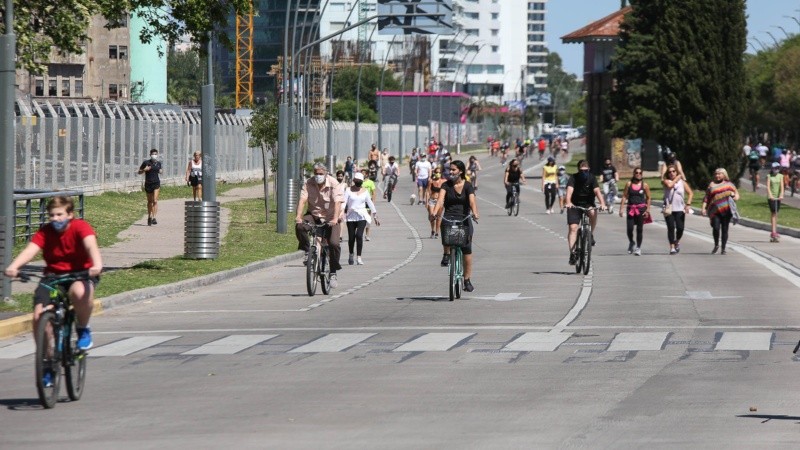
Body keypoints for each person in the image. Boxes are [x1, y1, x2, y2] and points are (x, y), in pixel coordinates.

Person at [4, 196, 103, 386]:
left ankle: (83, 329)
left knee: (80, 292)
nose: (55, 219)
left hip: (81, 273)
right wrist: (14, 266)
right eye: (52, 215)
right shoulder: (46, 231)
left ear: (70, 214)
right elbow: (31, 250)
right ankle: (48, 361)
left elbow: (91, 245)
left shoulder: (80, 227)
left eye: (59, 214)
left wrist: (97, 265)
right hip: (53, 276)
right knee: (39, 316)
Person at [431, 160, 480, 292]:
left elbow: (472, 201)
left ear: (461, 171)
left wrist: (475, 213)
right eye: (450, 170)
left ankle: (467, 280)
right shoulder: (446, 185)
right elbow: (440, 201)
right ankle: (446, 253)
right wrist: (434, 212)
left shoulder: (468, 185)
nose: (450, 172)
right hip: (449, 216)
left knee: (466, 249)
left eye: (453, 170)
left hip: (464, 218)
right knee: (446, 231)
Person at [295, 162, 344, 288]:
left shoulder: (334, 183)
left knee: (334, 243)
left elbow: (337, 203)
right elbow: (302, 200)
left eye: (321, 174)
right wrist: (298, 216)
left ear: (326, 173)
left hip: (331, 217)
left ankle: (333, 272)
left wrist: (335, 219)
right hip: (314, 215)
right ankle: (307, 251)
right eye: (316, 173)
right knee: (300, 226)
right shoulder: (308, 183)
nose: (318, 176)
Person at [565, 160, 607, 265]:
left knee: (593, 212)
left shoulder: (592, 178)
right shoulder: (573, 178)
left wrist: (602, 203)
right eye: (581, 171)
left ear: (589, 170)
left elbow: (597, 191)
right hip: (574, 204)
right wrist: (568, 202)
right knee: (573, 228)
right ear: (578, 170)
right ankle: (572, 253)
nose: (584, 173)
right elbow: (569, 191)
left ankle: (590, 234)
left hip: (588, 204)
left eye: (586, 171)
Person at [701, 168, 740, 255]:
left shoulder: (729, 184)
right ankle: (716, 245)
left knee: (725, 229)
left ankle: (723, 248)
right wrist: (703, 208)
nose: (717, 175)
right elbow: (706, 197)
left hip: (726, 210)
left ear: (724, 175)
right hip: (715, 211)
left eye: (719, 174)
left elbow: (737, 195)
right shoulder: (712, 185)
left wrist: (734, 197)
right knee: (716, 228)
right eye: (716, 174)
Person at [344, 172, 378, 265]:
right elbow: (344, 203)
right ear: (354, 180)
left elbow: (370, 203)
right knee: (351, 238)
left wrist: (375, 215)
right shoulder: (348, 190)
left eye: (360, 181)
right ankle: (351, 254)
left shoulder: (365, 191)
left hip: (362, 216)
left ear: (362, 181)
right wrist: (340, 214)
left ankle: (359, 257)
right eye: (357, 180)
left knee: (359, 236)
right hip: (351, 216)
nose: (358, 182)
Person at [618, 168, 652, 255]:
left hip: (641, 209)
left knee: (639, 229)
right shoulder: (629, 184)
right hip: (631, 209)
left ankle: (638, 247)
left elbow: (648, 198)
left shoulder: (645, 185)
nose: (638, 174)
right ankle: (631, 242)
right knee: (629, 229)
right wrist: (621, 209)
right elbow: (624, 196)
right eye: (636, 173)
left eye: (640, 173)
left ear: (642, 174)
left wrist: (648, 210)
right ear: (633, 174)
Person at [661, 164, 694, 254]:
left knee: (680, 228)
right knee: (671, 227)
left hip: (680, 209)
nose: (671, 173)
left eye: (673, 171)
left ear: (676, 172)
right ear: (667, 174)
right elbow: (670, 185)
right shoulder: (665, 181)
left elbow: (690, 193)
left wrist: (688, 204)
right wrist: (678, 177)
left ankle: (677, 241)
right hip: (669, 209)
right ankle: (672, 247)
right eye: (669, 172)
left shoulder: (682, 182)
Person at [138, 148, 163, 226]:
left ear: (157, 155)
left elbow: (160, 170)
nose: (154, 155)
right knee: (150, 201)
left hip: (156, 183)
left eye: (155, 154)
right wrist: (144, 170)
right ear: (150, 155)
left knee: (155, 200)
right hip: (148, 183)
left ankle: (154, 218)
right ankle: (149, 216)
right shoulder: (146, 162)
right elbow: (139, 172)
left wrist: (161, 171)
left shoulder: (158, 163)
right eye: (153, 154)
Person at [427, 167, 446, 238]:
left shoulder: (444, 181)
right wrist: (426, 202)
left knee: (438, 217)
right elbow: (428, 192)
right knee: (432, 216)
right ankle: (433, 230)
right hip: (432, 200)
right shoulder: (431, 181)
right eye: (436, 172)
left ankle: (437, 232)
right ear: (434, 173)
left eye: (439, 172)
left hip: (440, 201)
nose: (438, 174)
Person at [767, 162, 784, 241]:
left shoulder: (780, 176)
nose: (776, 170)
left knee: (776, 213)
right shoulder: (769, 176)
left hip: (778, 197)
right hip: (771, 198)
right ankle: (773, 231)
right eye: (774, 168)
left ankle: (774, 231)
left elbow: (782, 187)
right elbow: (768, 187)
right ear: (772, 168)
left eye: (777, 168)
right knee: (773, 212)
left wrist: (781, 195)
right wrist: (770, 195)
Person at [360, 167, 377, 241]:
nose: (362, 174)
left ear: (367, 174)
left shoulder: (370, 182)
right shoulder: (359, 182)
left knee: (367, 219)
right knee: (360, 219)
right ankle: (359, 234)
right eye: (361, 173)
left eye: (363, 173)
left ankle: (367, 235)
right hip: (360, 202)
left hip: (368, 202)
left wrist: (373, 203)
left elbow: (374, 193)